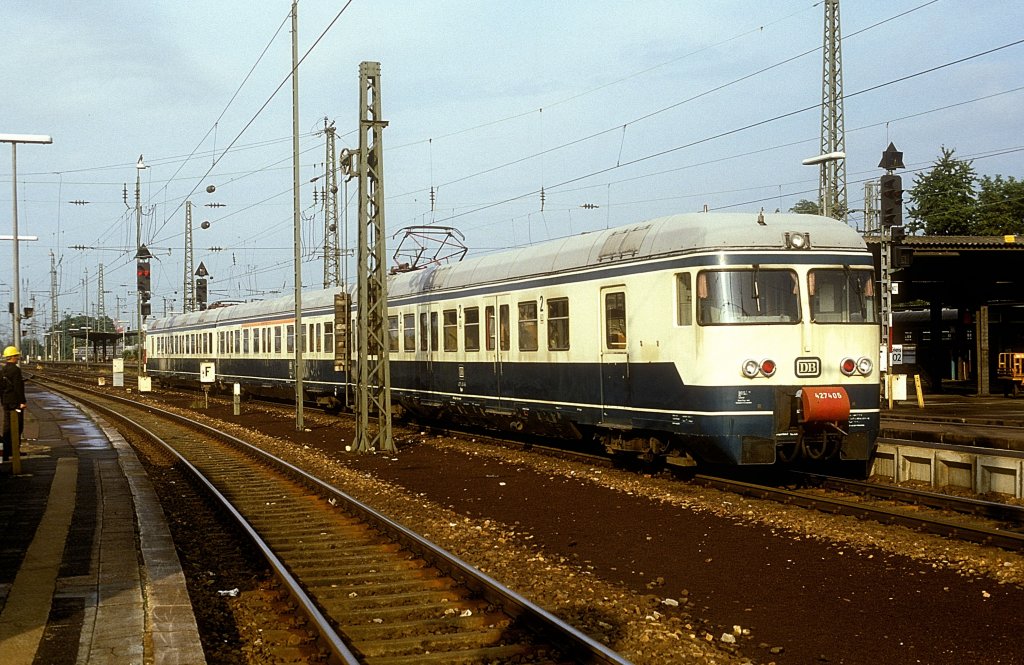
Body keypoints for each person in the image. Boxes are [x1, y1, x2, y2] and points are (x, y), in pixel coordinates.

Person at [1, 345, 26, 462]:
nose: (17, 358)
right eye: (16, 356)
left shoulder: (3, 370)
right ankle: (15, 450)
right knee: (17, 427)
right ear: (12, 357)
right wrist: (22, 402)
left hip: (6, 402)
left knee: (7, 427)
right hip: (15, 403)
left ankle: (6, 451)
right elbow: (18, 388)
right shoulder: (16, 370)